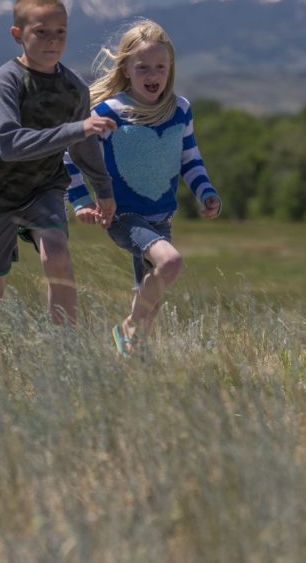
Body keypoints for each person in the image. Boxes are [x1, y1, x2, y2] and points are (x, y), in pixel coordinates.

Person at [0, 0, 117, 332]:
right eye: (41, 31)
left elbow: (83, 147)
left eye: (61, 32)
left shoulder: (75, 90)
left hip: (44, 187)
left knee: (57, 256)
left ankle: (65, 356)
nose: (52, 40)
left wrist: (103, 188)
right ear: (18, 35)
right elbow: (9, 143)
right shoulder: (7, 80)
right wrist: (76, 128)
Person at [65, 19, 221, 357]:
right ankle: (128, 326)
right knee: (171, 263)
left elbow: (190, 159)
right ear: (126, 69)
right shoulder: (110, 112)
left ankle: (132, 367)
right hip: (123, 214)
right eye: (143, 67)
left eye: (160, 67)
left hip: (162, 216)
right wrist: (79, 202)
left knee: (150, 303)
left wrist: (205, 192)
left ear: (171, 68)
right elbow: (69, 156)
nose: (153, 75)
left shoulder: (180, 110)